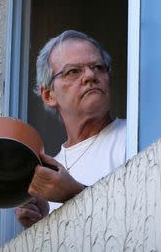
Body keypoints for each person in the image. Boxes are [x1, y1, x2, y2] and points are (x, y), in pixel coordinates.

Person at [14, 30, 126, 228]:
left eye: (99, 67)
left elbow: (144, 213)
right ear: (48, 95)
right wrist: (39, 228)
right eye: (73, 71)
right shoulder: (49, 174)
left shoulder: (136, 135)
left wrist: (73, 194)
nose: (91, 75)